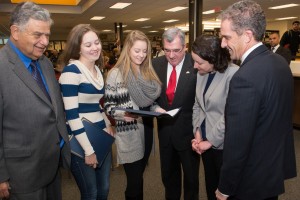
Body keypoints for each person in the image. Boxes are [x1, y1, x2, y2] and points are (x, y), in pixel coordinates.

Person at [216, 1, 297, 200]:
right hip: (271, 173)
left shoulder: (244, 77)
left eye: (226, 37)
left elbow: (238, 141)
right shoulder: (279, 63)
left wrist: (225, 187)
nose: (223, 44)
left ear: (248, 35)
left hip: (249, 181)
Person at [0, 2, 70, 200]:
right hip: (21, 175)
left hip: (51, 166)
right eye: (37, 35)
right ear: (15, 31)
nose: (45, 41)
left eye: (47, 35)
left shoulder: (45, 63)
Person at [104, 30, 161, 200]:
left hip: (147, 130)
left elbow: (150, 101)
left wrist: (157, 109)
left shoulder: (147, 71)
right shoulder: (115, 73)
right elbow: (108, 105)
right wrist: (122, 114)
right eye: (137, 51)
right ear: (128, 49)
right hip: (129, 132)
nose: (141, 55)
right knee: (134, 182)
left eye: (144, 51)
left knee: (139, 177)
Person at [59, 24, 114, 200]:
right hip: (81, 141)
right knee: (90, 193)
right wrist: (88, 151)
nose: (95, 48)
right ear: (78, 48)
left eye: (96, 43)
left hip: (100, 135)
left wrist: (107, 123)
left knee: (104, 189)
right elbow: (71, 115)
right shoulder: (71, 72)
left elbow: (96, 104)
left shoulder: (97, 70)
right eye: (88, 45)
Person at [151, 27, 199, 200]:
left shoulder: (195, 65)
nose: (171, 55)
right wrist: (154, 107)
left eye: (176, 50)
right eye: (167, 50)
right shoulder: (156, 64)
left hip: (189, 135)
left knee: (191, 180)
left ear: (185, 47)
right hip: (165, 133)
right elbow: (151, 96)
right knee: (168, 178)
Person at [190, 35, 239, 200]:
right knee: (211, 187)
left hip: (223, 144)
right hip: (204, 141)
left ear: (214, 59)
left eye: (199, 62)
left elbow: (230, 115)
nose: (195, 66)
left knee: (225, 191)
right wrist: (197, 132)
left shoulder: (234, 74)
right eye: (194, 61)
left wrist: (209, 141)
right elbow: (198, 105)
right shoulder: (201, 73)